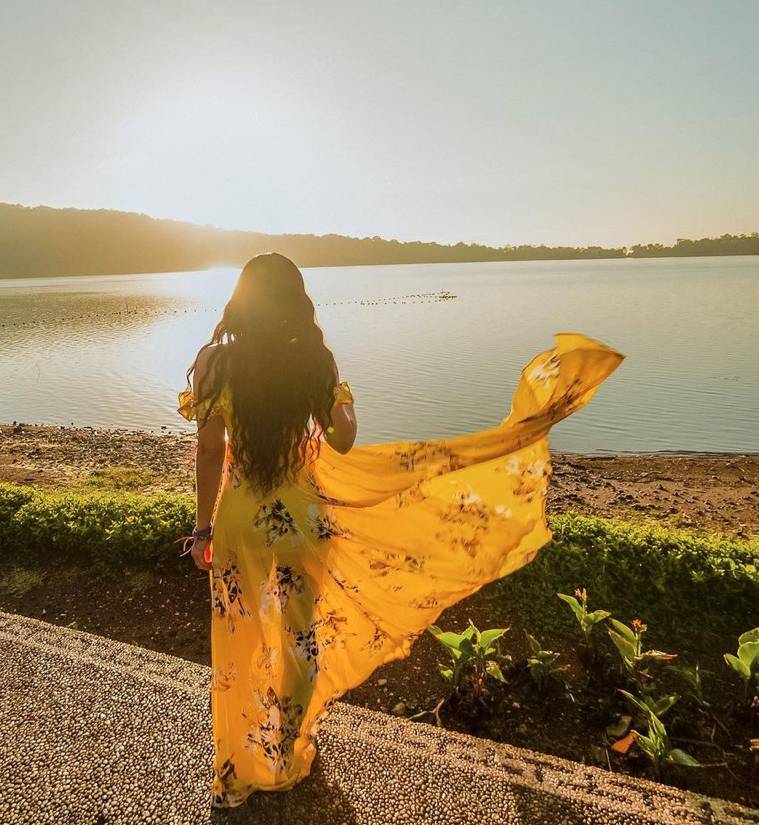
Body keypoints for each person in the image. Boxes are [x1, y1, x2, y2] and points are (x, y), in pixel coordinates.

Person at [176, 252, 623, 810]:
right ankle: (284, 754)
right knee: (299, 639)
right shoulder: (312, 360)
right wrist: (341, 394)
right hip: (303, 523)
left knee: (239, 640)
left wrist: (202, 530)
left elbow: (210, 449)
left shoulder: (216, 362)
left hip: (241, 521)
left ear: (241, 299)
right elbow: (341, 441)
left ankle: (236, 772)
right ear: (296, 300)